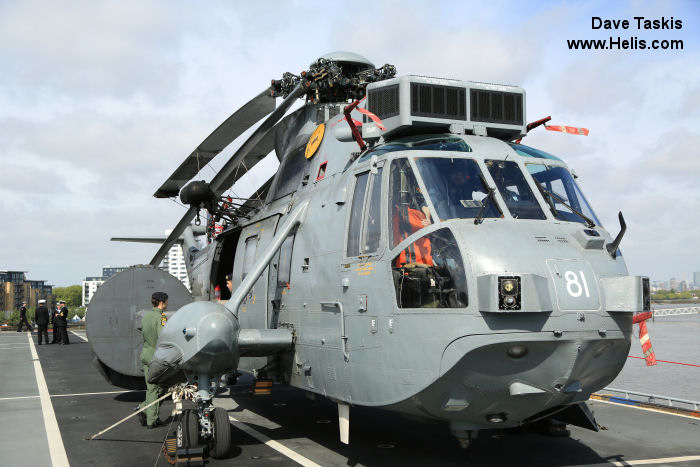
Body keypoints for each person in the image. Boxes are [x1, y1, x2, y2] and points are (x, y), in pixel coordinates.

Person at [138, 291, 168, 428]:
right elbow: (163, 337)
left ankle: (145, 409)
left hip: (145, 353)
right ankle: (152, 420)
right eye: (166, 301)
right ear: (162, 302)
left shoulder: (146, 316)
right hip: (155, 356)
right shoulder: (161, 317)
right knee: (159, 388)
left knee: (152, 388)